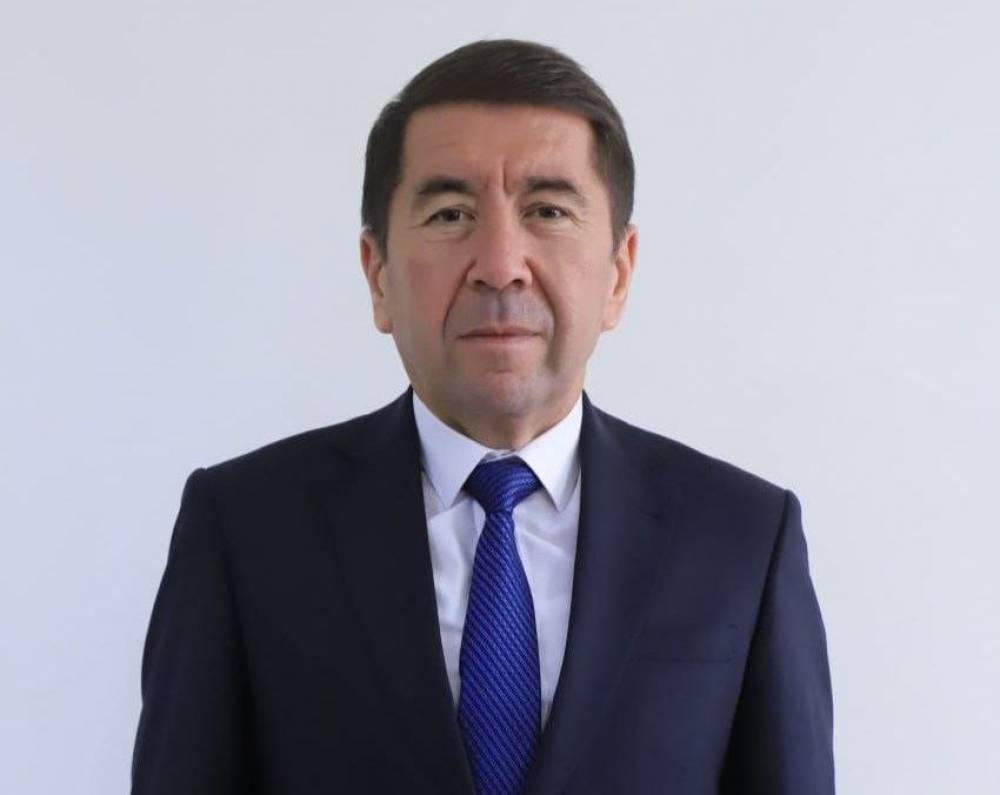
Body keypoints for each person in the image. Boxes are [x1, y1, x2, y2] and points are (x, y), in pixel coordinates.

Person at [131, 38, 835, 795]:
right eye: (450, 213)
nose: (500, 265)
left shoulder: (741, 537)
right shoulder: (245, 527)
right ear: (377, 275)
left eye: (548, 211)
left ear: (619, 273)